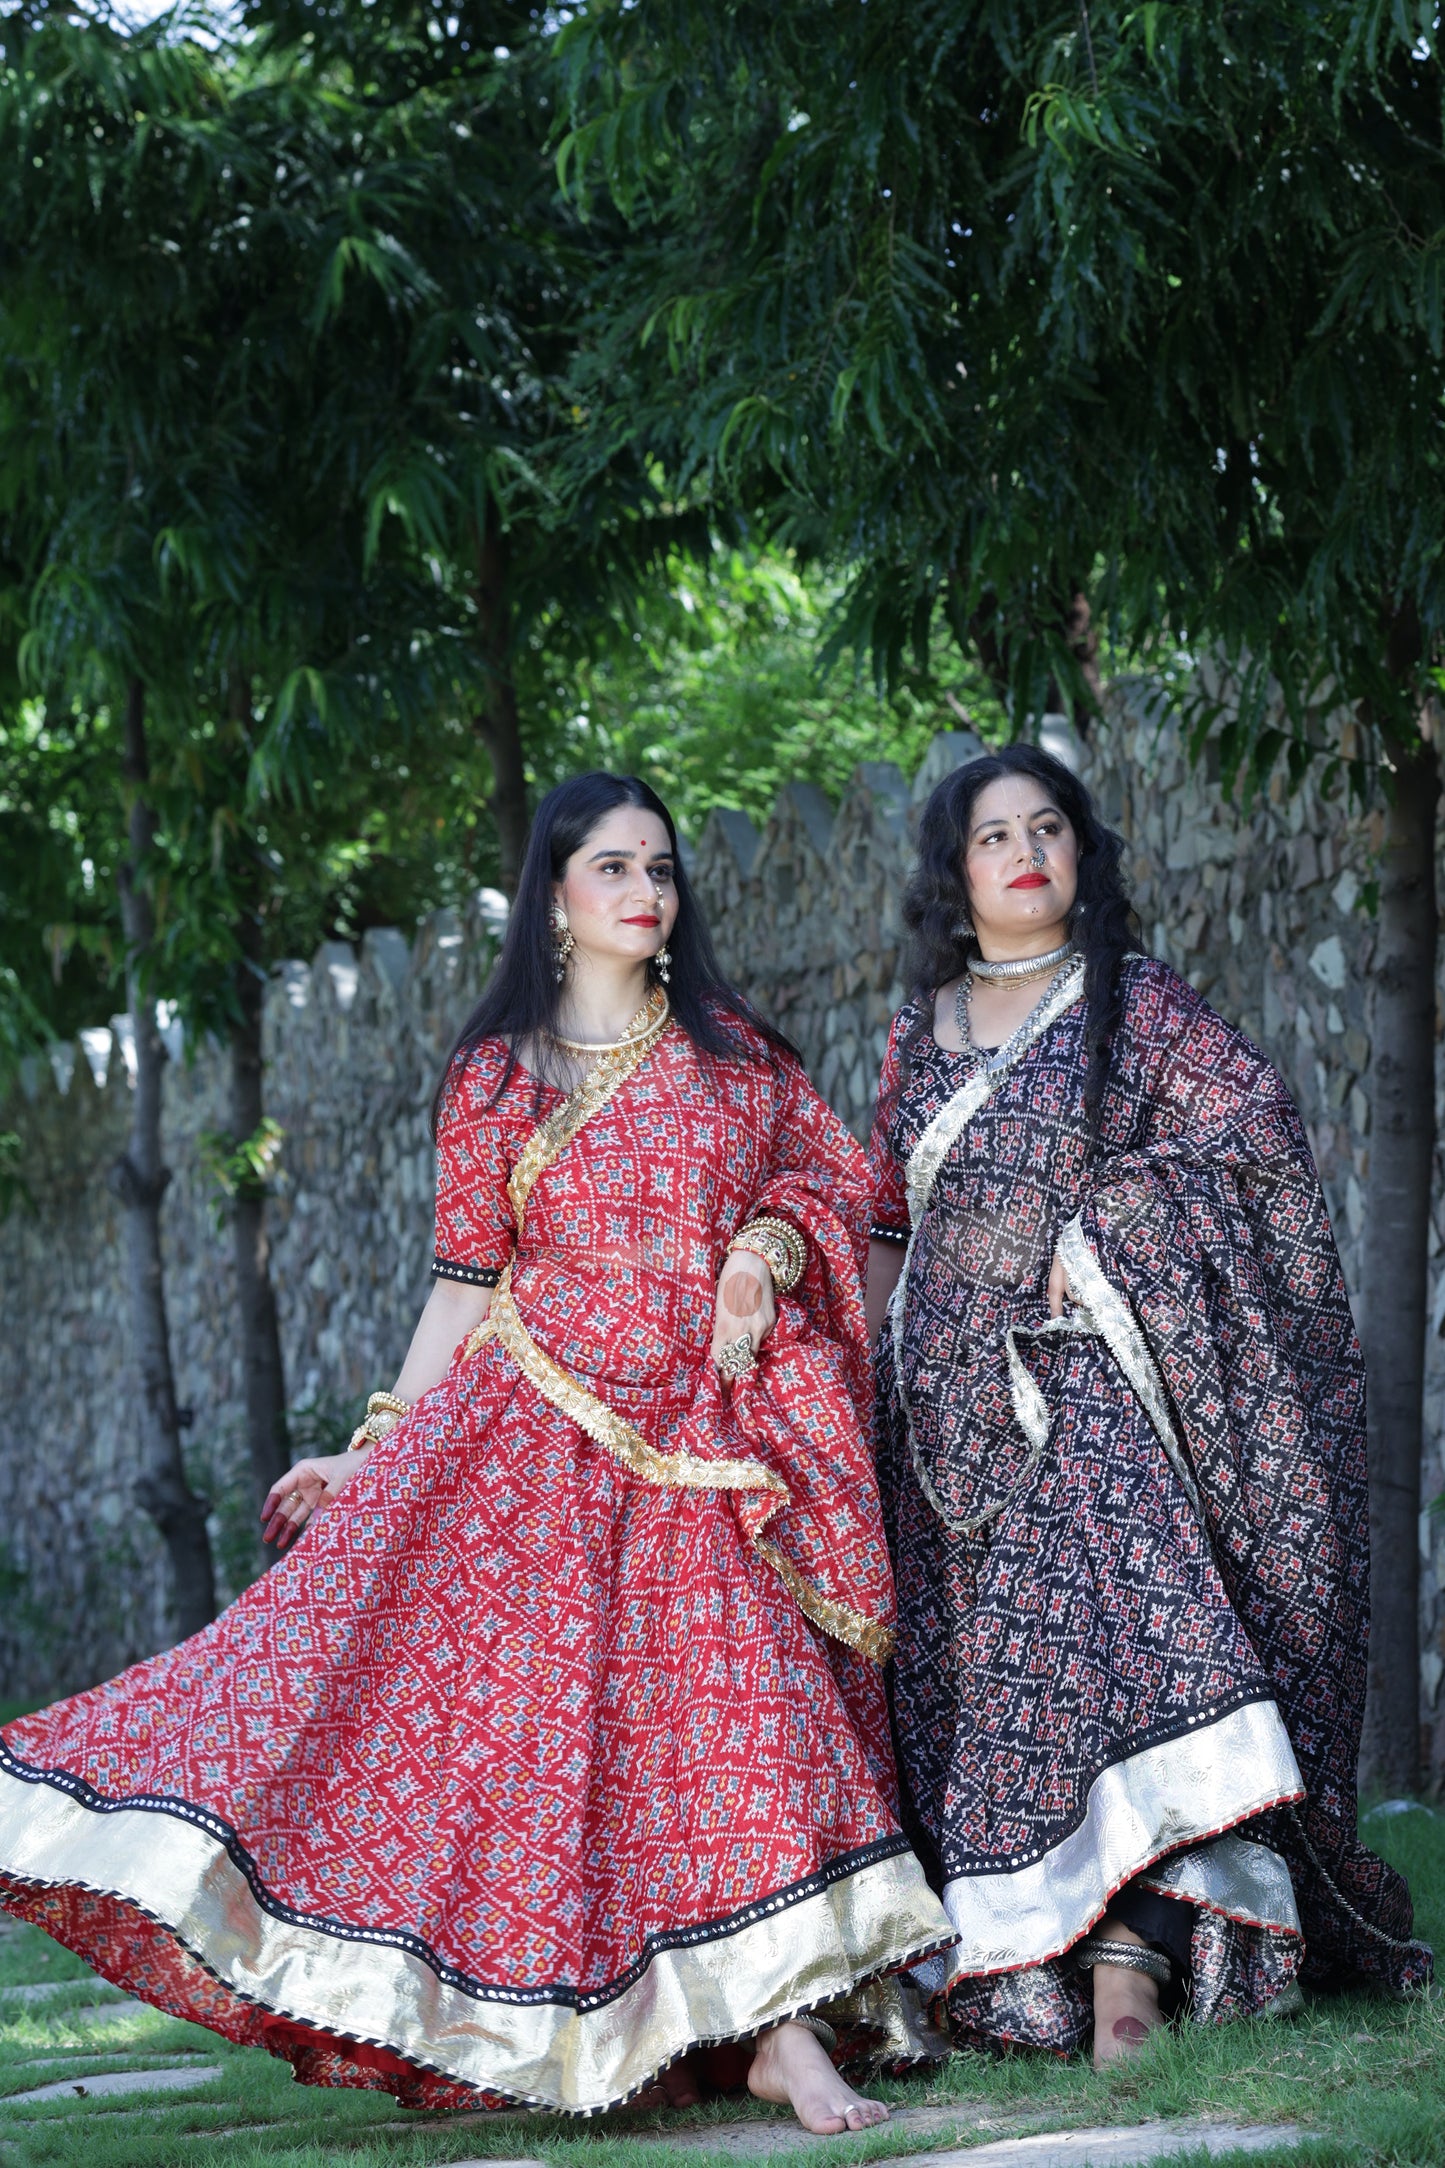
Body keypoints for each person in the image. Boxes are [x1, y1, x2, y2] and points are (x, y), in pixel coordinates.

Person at [0, 772, 952, 2125]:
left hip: (701, 1436)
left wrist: (765, 1246)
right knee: (546, 1748)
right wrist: (370, 1451)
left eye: (661, 869)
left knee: (739, 1715)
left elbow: (837, 1184)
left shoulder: (733, 1057)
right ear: (555, 895)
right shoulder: (499, 1073)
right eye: (614, 866)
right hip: (536, 1442)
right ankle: (651, 2029)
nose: (645, 890)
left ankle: (784, 2029)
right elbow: (461, 1283)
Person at [866, 744, 1432, 2068]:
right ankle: (1031, 1957)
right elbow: (892, 1218)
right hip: (942, 1424)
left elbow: (1254, 1141)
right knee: (1014, 1686)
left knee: (1142, 1648)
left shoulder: (1133, 1006)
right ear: (953, 880)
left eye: (1048, 827)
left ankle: (1137, 1960)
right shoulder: (917, 1031)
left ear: (1083, 855)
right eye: (992, 836)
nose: (1025, 852)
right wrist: (864, 1374)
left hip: (1089, 1384)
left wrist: (1114, 1224)